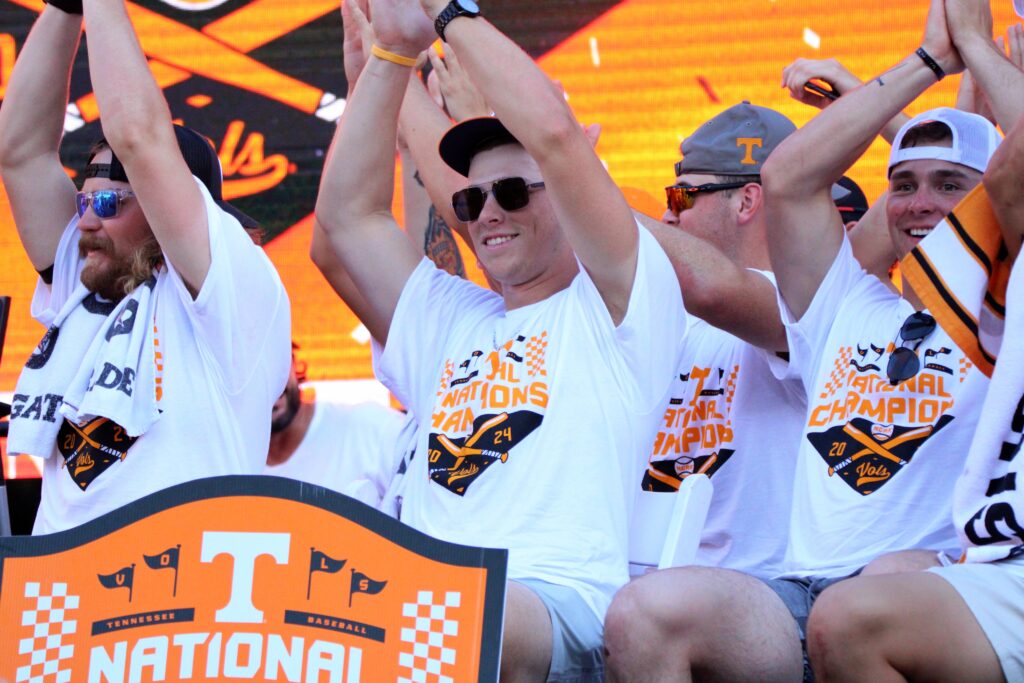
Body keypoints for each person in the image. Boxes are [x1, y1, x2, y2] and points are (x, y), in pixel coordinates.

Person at [315, 0, 685, 680]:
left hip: (555, 607)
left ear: (568, 197)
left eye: (512, 191)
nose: (487, 213)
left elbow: (555, 135)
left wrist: (445, 12)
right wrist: (388, 61)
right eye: (470, 199)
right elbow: (344, 225)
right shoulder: (451, 317)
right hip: (430, 609)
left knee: (442, 617)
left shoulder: (620, 305)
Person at [0, 0, 290, 534]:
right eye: (84, 203)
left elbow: (139, 136)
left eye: (109, 204)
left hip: (180, 596)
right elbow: (20, 153)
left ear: (168, 209)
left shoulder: (230, 289)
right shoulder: (86, 286)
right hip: (64, 600)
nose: (85, 221)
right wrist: (65, 7)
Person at [805, 108, 1024, 683]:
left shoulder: (1005, 316)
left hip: (961, 571)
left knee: (871, 592)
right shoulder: (852, 303)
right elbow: (789, 184)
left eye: (950, 185)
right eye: (901, 186)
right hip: (814, 582)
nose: (919, 203)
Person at [603, 102, 811, 679]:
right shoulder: (665, 315)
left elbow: (713, 287)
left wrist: (572, 184)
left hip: (758, 612)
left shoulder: (807, 307)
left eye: (680, 197)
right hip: (639, 603)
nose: (667, 216)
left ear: (746, 201)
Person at [265, 348, 405, 508]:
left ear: (293, 362)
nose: (271, 381)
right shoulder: (233, 463)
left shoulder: (372, 428)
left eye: (277, 361)